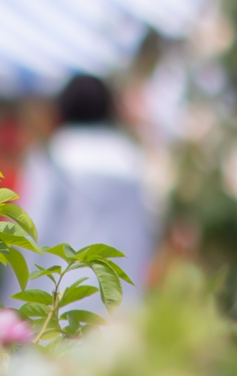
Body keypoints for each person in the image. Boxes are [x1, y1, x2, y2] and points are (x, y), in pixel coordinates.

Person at [22, 71, 161, 288]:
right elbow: (147, 230)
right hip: (117, 291)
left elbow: (31, 229)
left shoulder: (53, 156)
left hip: (59, 291)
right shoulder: (131, 159)